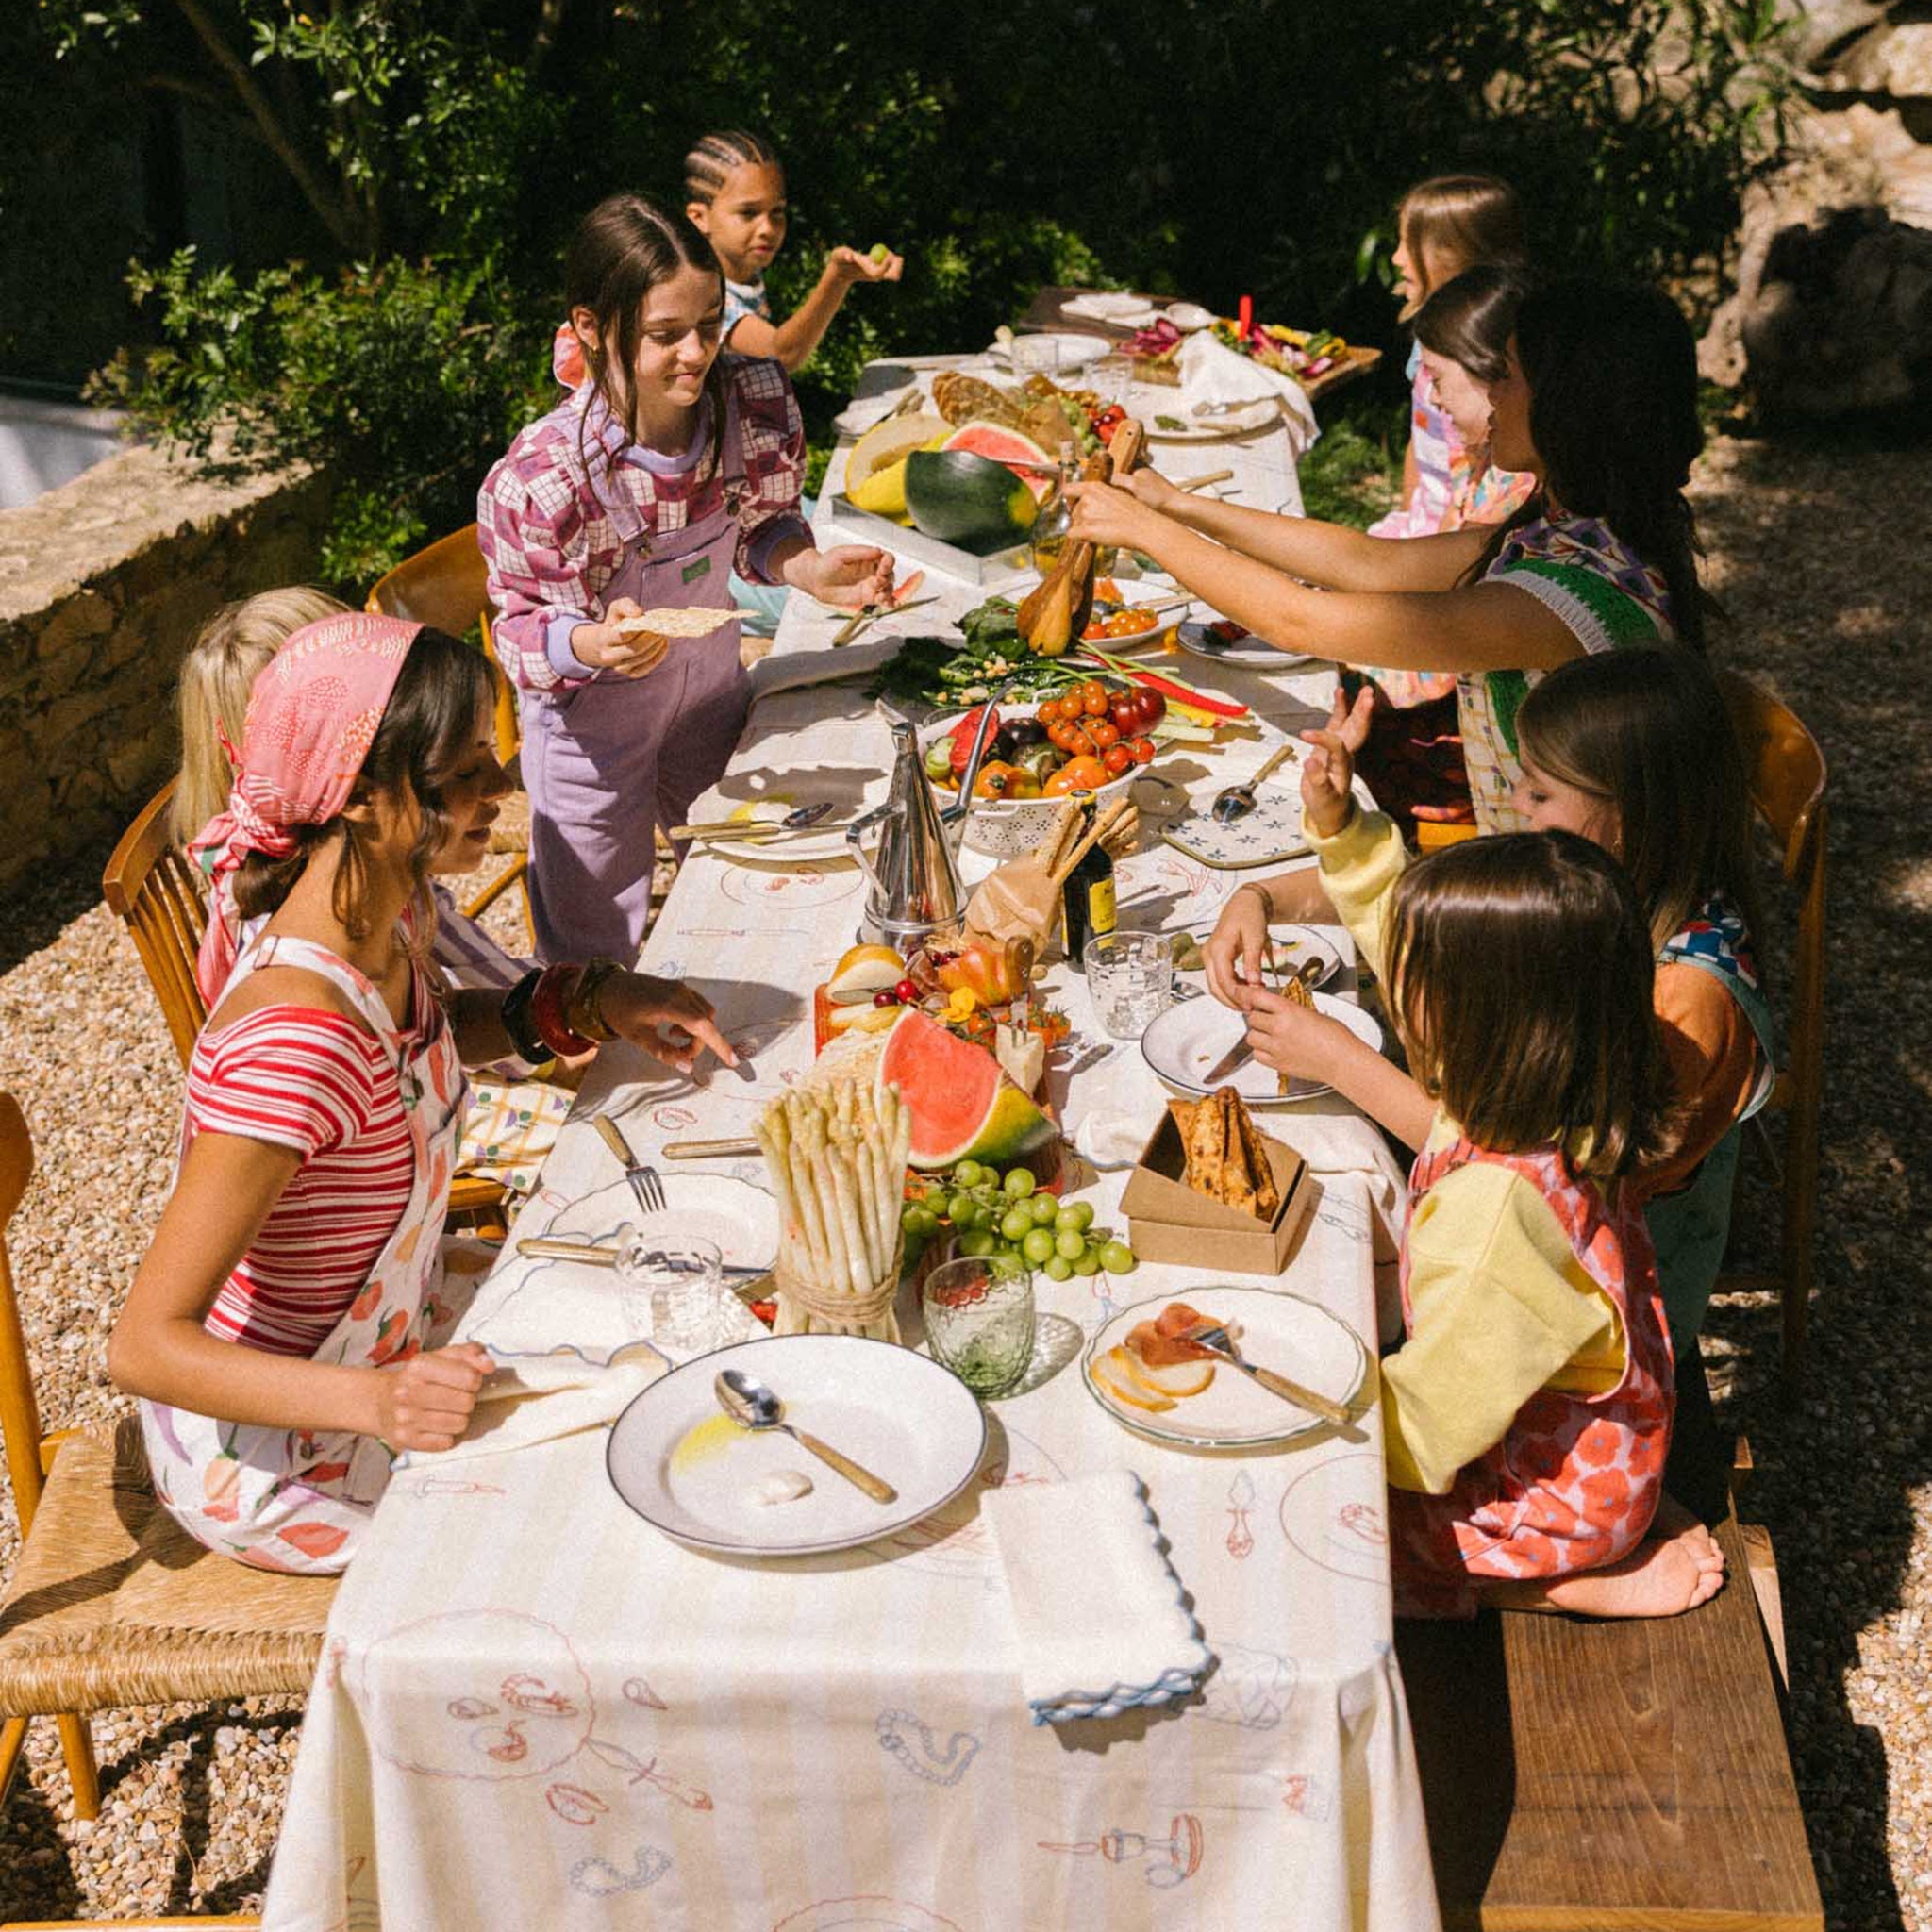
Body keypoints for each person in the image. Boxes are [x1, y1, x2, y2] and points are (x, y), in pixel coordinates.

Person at [111, 616, 741, 1574]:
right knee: (605, 1527)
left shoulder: (384, 914)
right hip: (290, 1445)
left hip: (392, 1329)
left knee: (683, 1333)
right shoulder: (293, 1041)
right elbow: (145, 1347)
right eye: (465, 772)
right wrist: (380, 1403)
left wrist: (591, 998)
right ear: (360, 795)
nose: (504, 787)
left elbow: (427, 1036)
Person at [1274, 717, 1725, 1617]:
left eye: (1415, 988)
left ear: (1482, 1021)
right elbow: (1407, 930)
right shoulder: (1568, 1100)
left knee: (1302, 1543)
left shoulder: (1493, 1222)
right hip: (1580, 1429)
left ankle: (1556, 1587)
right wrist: (1344, 836)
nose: (1397, 997)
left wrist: (1296, 1411)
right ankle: (1610, 1520)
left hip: (1547, 1497)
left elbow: (1428, 1428)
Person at [1067, 277, 1710, 840]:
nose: (1491, 399)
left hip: (1564, 914)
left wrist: (1147, 531)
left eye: (1508, 377)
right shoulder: (1568, 532)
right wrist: (1177, 506)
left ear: (1570, 405)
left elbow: (1301, 621)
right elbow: (1372, 563)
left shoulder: (1569, 596)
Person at [481, 192, 893, 962]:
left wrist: (805, 567)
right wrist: (592, 642)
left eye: (708, 326)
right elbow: (523, 629)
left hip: (709, 699)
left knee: (748, 893)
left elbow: (762, 529)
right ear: (589, 330)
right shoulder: (544, 479)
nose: (698, 354)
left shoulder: (752, 401)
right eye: (666, 335)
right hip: (591, 737)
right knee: (593, 962)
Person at [1341, 262, 1539, 832]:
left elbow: (1442, 626)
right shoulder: (1488, 460)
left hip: (1481, 781)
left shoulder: (1521, 497)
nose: (1426, 394)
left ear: (1498, 378)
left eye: (1435, 374)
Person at [1370, 174, 1528, 543]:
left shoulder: (1484, 364)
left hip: (1464, 530)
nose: (1395, 258)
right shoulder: (1427, 338)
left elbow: (1480, 480)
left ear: (1457, 254)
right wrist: (1411, 514)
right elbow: (1419, 434)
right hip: (1430, 517)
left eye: (1410, 245)